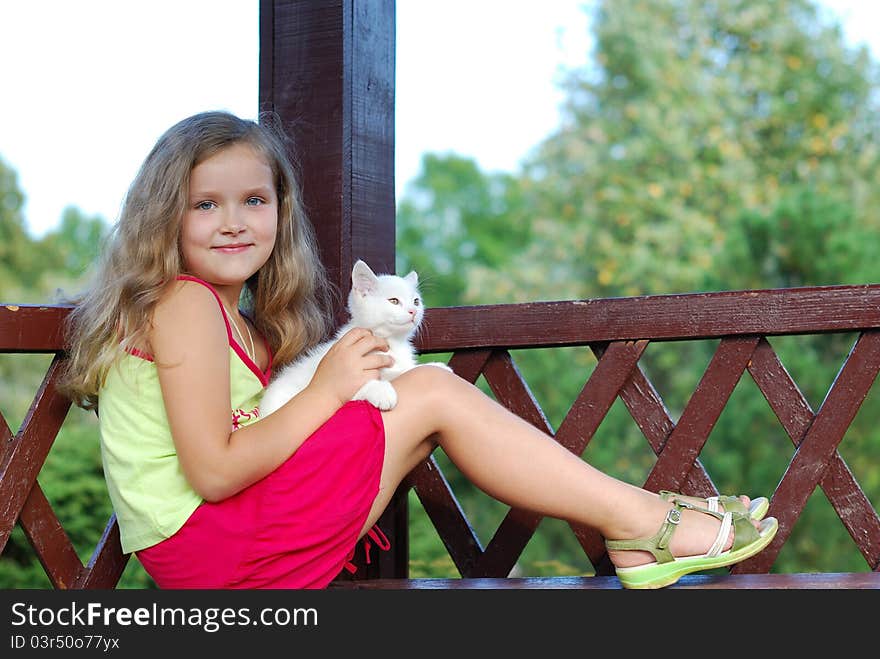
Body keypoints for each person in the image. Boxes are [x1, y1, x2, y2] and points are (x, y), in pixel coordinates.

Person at [59, 110, 777, 590]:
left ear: (281, 210)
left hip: (222, 548)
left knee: (415, 395)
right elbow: (213, 472)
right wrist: (323, 390)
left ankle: (641, 520)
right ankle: (643, 523)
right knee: (429, 390)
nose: (234, 222)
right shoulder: (183, 303)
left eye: (255, 200)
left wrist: (335, 394)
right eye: (205, 204)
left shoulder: (234, 320)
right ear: (165, 215)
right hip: (212, 549)